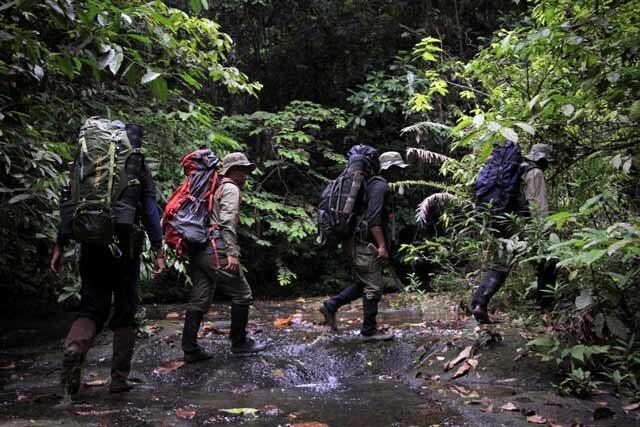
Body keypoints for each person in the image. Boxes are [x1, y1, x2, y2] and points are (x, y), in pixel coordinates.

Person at [51, 123, 166, 395]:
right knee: (125, 309)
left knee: (91, 306)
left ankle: (74, 347)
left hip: (91, 241)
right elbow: (149, 208)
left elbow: (69, 201)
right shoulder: (135, 164)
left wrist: (59, 243)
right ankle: (118, 378)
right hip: (126, 244)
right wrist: (159, 248)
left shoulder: (86, 164)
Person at [181, 152, 266, 363]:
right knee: (242, 294)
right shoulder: (230, 188)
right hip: (216, 249)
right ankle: (239, 343)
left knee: (200, 297)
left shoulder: (213, 187)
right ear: (234, 170)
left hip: (199, 248)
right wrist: (232, 254)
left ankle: (190, 348)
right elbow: (227, 222)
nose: (246, 175)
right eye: (244, 170)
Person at [319, 151, 408, 342]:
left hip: (357, 242)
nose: (400, 174)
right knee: (374, 287)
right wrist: (382, 246)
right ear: (389, 169)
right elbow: (373, 218)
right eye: (397, 169)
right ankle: (369, 331)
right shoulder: (380, 186)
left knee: (364, 282)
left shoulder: (373, 184)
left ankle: (331, 305)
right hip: (364, 243)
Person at [471, 143, 555, 323]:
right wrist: (543, 232)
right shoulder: (535, 172)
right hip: (520, 225)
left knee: (500, 264)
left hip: (501, 221)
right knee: (547, 259)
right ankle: (547, 307)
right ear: (542, 159)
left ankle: (479, 303)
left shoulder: (514, 168)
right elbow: (537, 206)